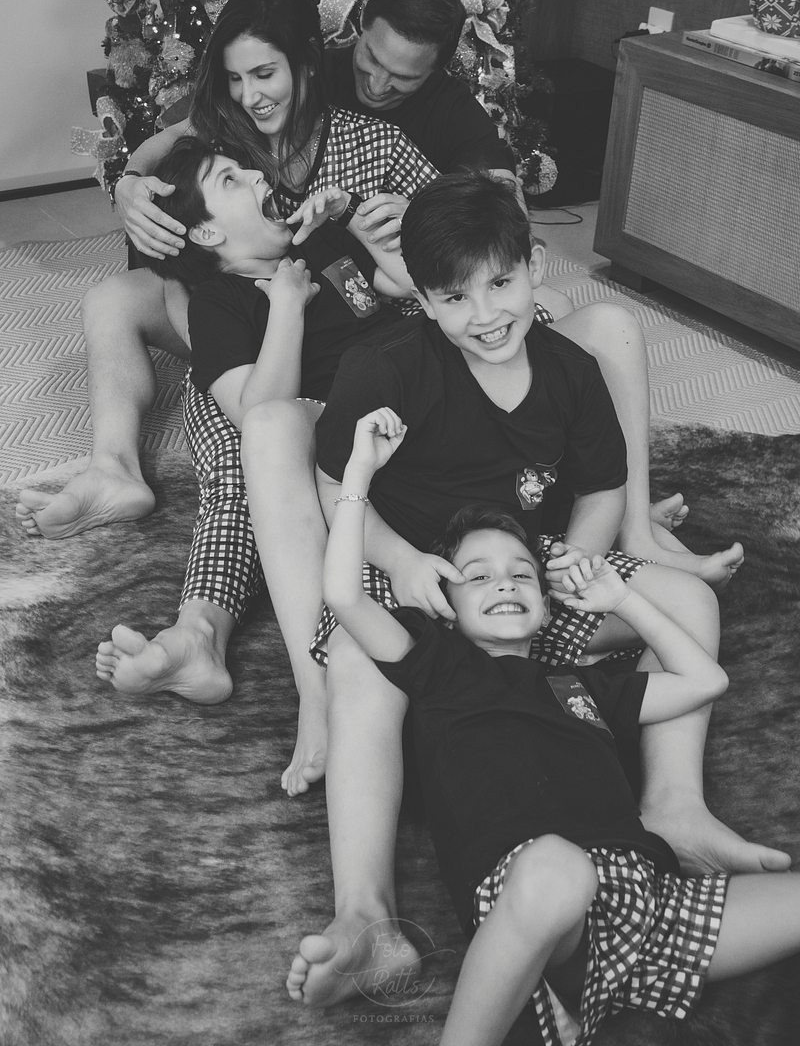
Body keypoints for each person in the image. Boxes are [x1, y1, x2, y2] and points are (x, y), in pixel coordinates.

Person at [14, 0, 738, 586]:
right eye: (368, 60)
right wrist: (130, 186)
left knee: (560, 315)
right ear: (349, 40)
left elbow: (468, 231)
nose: (379, 82)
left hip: (356, 307)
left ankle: (623, 517)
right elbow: (163, 146)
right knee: (119, 304)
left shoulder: (388, 134)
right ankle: (116, 466)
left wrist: (389, 222)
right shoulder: (224, 126)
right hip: (246, 315)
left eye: (403, 75)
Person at [290, 172, 788, 1007]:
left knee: (691, 601)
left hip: (527, 579)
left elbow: (601, 487)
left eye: (501, 283)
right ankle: (367, 915)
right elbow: (336, 478)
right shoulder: (387, 369)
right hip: (420, 579)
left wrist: (578, 566)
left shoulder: (568, 370)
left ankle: (673, 805)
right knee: (356, 660)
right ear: (424, 300)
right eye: (456, 298)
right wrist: (402, 562)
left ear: (533, 266)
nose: (485, 314)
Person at [290, 429, 800, 1046]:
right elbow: (344, 596)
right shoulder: (438, 670)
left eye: (521, 574)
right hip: (537, 895)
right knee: (560, 869)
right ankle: (542, 997)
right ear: (444, 607)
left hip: (646, 905)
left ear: (549, 604)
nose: (504, 583)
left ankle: (588, 995)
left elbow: (705, 680)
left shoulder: (581, 685)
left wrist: (622, 599)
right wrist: (358, 477)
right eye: (478, 577)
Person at [94, 134, 414, 780]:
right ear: (208, 234)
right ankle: (315, 693)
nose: (255, 176)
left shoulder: (322, 241)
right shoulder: (220, 305)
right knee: (267, 443)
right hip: (339, 426)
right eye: (230, 180)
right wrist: (287, 304)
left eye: (246, 169)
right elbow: (258, 414)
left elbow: (406, 283)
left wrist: (353, 217)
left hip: (412, 384)